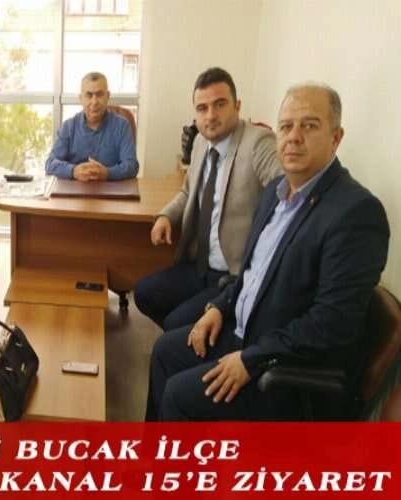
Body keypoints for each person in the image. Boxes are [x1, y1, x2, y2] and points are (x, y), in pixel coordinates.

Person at [146, 83, 389, 421]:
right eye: (286, 126)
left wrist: (252, 359)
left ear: (336, 137)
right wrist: (219, 307)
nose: (294, 137)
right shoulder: (275, 193)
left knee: (179, 396)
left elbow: (332, 324)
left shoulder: (356, 212)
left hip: (286, 371)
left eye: (309, 126)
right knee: (164, 351)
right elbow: (252, 275)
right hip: (246, 334)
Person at [134, 67, 283, 330]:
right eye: (202, 108)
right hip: (200, 265)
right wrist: (166, 216)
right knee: (144, 293)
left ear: (237, 106)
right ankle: (188, 339)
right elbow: (187, 192)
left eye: (220, 104)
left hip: (234, 274)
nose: (211, 115)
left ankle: (189, 338)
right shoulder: (201, 143)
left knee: (175, 323)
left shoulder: (258, 143)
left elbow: (288, 192)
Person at [45, 72, 138, 181]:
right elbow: (50, 164)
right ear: (81, 98)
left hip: (111, 189)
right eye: (89, 95)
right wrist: (73, 171)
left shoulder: (122, 126)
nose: (94, 102)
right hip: (75, 189)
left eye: (99, 94)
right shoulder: (68, 127)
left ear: (108, 96)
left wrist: (107, 173)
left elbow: (132, 166)